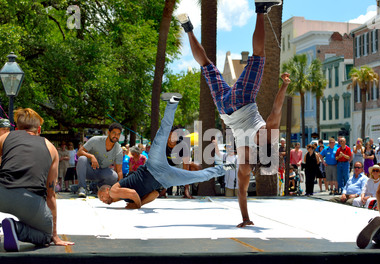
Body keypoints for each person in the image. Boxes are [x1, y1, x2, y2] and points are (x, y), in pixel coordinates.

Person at [179, 0, 289, 228]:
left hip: (243, 101)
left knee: (258, 55)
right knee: (207, 66)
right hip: (224, 109)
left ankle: (260, 9)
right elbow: (241, 192)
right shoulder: (246, 162)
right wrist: (245, 218)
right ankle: (187, 27)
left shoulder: (267, 137)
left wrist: (284, 86)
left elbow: (275, 111)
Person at [98, 93, 235, 209]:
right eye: (101, 200)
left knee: (163, 132)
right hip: (164, 179)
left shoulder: (115, 191)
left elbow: (134, 194)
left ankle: (172, 102)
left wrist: (137, 205)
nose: (103, 200)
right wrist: (137, 204)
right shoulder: (123, 199)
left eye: (101, 197)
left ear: (107, 190)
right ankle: (227, 167)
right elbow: (154, 194)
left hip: (154, 168)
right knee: (199, 176)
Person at [0, 108, 74, 251]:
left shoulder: (5, 137)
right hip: (30, 200)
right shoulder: (51, 148)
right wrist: (54, 235)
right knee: (45, 236)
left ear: (17, 127)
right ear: (39, 129)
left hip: (2, 194)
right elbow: (51, 194)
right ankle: (16, 228)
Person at [76, 122, 123, 197]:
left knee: (114, 176)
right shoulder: (95, 140)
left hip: (102, 172)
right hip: (89, 170)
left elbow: (119, 170)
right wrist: (91, 156)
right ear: (108, 132)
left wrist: (121, 189)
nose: (116, 136)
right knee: (82, 158)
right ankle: (82, 187)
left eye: (118, 134)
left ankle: (97, 187)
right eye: (114, 133)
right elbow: (79, 152)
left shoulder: (119, 150)